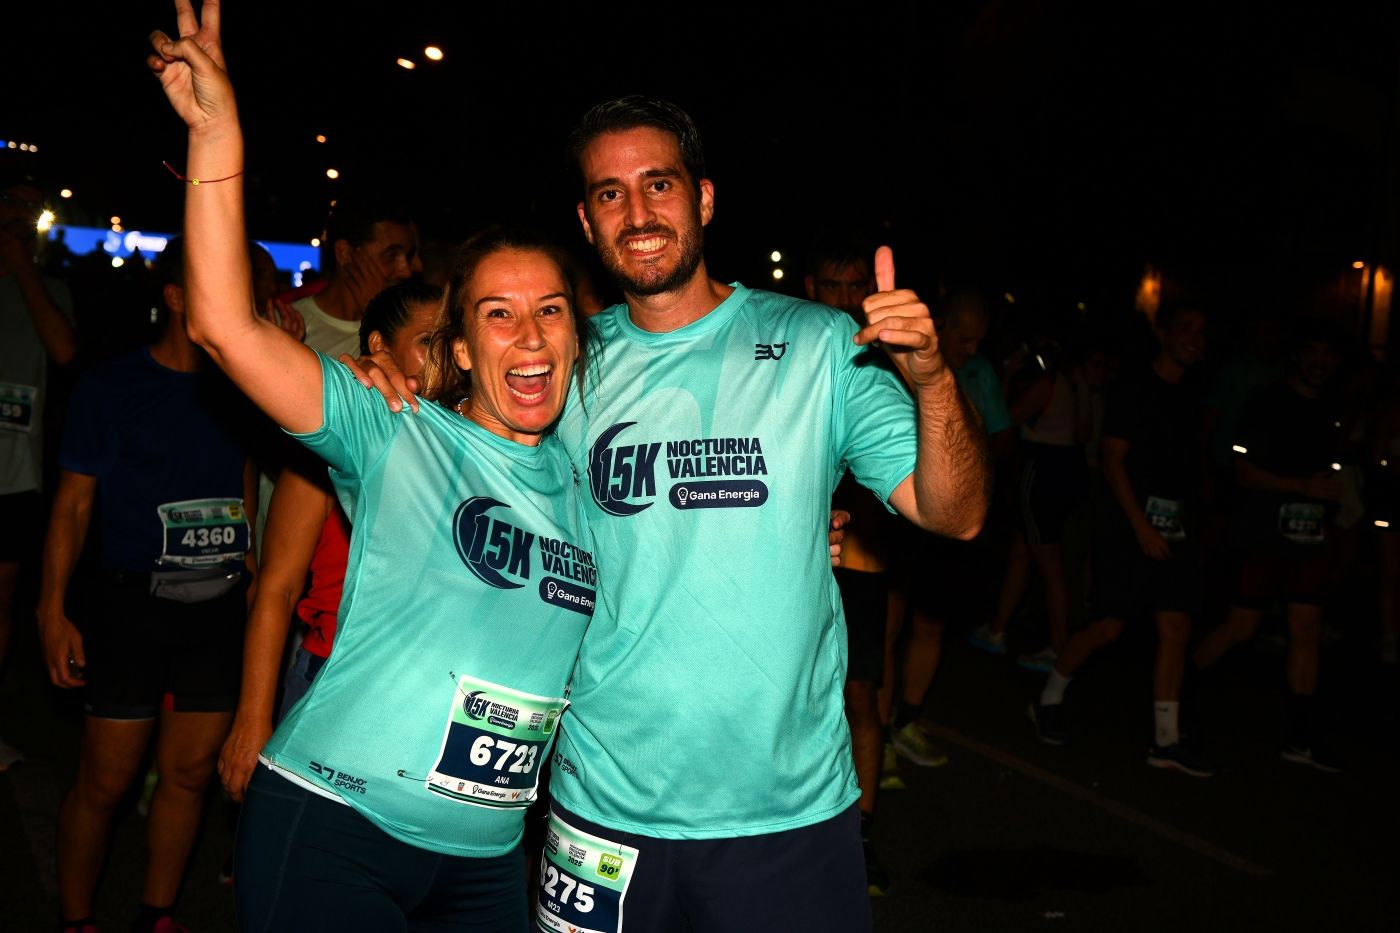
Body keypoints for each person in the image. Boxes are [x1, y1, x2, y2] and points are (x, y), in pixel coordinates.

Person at [352, 95, 991, 930]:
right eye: (611, 194)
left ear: (705, 199)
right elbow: (457, 460)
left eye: (659, 183)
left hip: (785, 812)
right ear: (586, 220)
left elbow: (959, 515)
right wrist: (384, 391)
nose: (639, 212)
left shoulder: (818, 346)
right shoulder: (562, 360)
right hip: (601, 808)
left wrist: (934, 377)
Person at [149, 6, 594, 928]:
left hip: (487, 860)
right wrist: (218, 136)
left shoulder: (594, 490)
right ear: (463, 350)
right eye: (498, 315)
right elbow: (224, 324)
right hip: (332, 824)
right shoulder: (393, 430)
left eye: (550, 310)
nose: (529, 335)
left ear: (576, 338)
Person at [36, 235, 259, 933]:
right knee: (105, 782)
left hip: (216, 607)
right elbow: (72, 505)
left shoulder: (245, 384)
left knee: (188, 776)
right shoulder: (111, 386)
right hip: (129, 603)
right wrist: (51, 607)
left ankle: (156, 912)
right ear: (174, 297)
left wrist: (250, 558)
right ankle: (76, 918)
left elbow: (246, 473)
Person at [217, 280, 443, 805]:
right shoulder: (335, 438)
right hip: (331, 679)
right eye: (428, 341)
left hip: (425, 692)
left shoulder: (468, 438)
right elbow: (277, 589)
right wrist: (252, 723)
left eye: (452, 341)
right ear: (380, 348)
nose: (445, 359)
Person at [1028, 301, 1215, 778]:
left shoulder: (1194, 393)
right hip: (1130, 528)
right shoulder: (1134, 387)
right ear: (1166, 332)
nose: (1195, 338)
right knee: (1108, 627)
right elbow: (1112, 461)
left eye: (1202, 331)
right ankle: (1047, 699)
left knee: (1175, 628)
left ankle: (1166, 741)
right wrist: (1142, 529)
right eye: (1186, 326)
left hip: (1177, 531)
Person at [1192, 321, 1349, 772]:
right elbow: (1244, 472)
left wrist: (1333, 499)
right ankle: (1178, 693)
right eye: (1313, 352)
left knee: (1306, 631)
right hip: (1263, 535)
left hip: (1310, 538)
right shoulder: (1267, 402)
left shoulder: (1331, 410)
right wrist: (1300, 485)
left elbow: (1331, 474)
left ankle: (1300, 737)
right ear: (1296, 357)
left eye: (1329, 355)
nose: (1321, 362)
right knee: (1241, 628)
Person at [881, 285, 1016, 785]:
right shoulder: (895, 358)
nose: (971, 348)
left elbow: (1002, 440)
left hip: (954, 522)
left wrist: (970, 451)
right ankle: (875, 735)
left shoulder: (980, 375)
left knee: (931, 626)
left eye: (979, 340)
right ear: (938, 325)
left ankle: (906, 724)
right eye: (962, 336)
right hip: (899, 519)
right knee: (887, 631)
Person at [803, 231, 896, 896]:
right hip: (786, 559)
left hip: (860, 557)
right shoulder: (794, 349)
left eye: (852, 284)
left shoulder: (886, 355)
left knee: (860, 693)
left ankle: (860, 834)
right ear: (812, 289)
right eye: (830, 285)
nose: (842, 297)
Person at [1, 160, 78, 771]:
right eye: (10, 208)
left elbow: (63, 349)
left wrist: (22, 267)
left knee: (1, 597)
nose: (18, 222)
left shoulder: (46, 287)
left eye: (29, 212)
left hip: (17, 469)